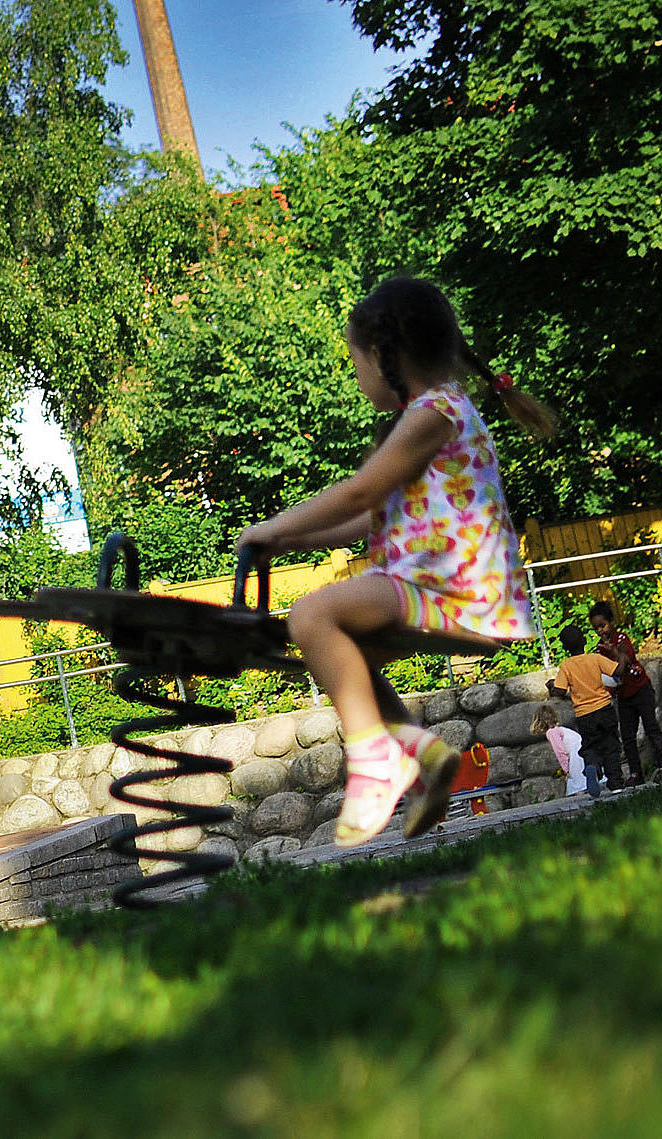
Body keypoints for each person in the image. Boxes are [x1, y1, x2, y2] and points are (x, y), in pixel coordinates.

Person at [237, 277, 555, 847]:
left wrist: (272, 524)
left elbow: (359, 493)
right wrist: (290, 544)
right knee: (343, 659)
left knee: (310, 617)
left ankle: (376, 767)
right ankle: (424, 756)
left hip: (457, 597)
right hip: (454, 597)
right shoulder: (444, 411)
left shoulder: (434, 412)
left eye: (358, 361)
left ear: (388, 357)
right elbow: (373, 518)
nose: (358, 378)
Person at [589, 599, 662, 782]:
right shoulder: (599, 650)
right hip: (623, 696)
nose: (601, 631)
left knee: (651, 728)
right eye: (596, 628)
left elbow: (625, 658)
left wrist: (615, 653)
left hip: (641, 689)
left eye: (603, 626)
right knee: (627, 736)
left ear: (611, 623)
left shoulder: (621, 639)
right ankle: (635, 773)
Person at [548, 626, 628, 793]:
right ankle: (616, 784)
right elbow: (617, 671)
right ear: (584, 640)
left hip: (584, 715)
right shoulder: (595, 658)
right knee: (611, 746)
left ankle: (593, 767)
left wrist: (552, 687)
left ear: (564, 647)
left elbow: (560, 691)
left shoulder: (566, 666)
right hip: (604, 709)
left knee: (590, 747)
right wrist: (622, 657)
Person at [532, 703, 591, 797]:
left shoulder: (551, 732)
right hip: (584, 749)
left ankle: (581, 802)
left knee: (578, 783)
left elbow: (560, 751)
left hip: (575, 754)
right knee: (585, 779)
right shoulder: (562, 729)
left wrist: (566, 769)